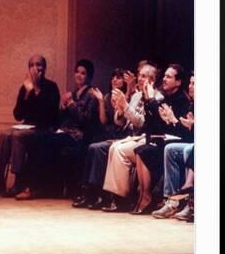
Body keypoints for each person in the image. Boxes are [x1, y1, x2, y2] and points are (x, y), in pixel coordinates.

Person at [15, 59, 98, 200]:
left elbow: (85, 119)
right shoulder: (74, 92)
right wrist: (63, 108)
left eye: (83, 73)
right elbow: (62, 117)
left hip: (77, 136)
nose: (79, 75)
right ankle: (41, 186)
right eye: (77, 72)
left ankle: (33, 187)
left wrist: (70, 104)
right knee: (38, 140)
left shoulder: (91, 94)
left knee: (40, 140)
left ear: (88, 76)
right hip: (64, 132)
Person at [0, 55, 60, 197]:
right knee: (5, 134)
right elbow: (18, 115)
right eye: (32, 65)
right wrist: (27, 93)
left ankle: (19, 182)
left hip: (45, 128)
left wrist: (36, 89)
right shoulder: (25, 88)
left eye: (39, 65)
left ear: (44, 68)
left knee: (17, 135)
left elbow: (49, 114)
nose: (35, 68)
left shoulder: (51, 87)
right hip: (28, 127)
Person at [101, 62, 162, 212]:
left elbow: (142, 122)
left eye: (144, 76)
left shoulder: (158, 97)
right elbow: (120, 122)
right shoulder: (136, 96)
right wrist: (121, 109)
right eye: (139, 75)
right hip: (133, 137)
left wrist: (125, 106)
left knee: (119, 150)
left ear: (152, 80)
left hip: (146, 138)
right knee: (114, 147)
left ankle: (121, 198)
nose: (139, 79)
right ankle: (116, 197)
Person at [132, 64, 191, 214]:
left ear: (178, 82)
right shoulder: (165, 97)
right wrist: (148, 100)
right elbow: (154, 123)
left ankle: (152, 197)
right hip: (163, 139)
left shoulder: (182, 100)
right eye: (164, 75)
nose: (164, 79)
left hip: (177, 141)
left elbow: (180, 130)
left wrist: (172, 119)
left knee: (145, 151)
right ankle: (143, 195)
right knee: (140, 150)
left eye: (169, 77)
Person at [73, 68, 130, 209]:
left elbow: (122, 122)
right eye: (113, 77)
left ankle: (96, 194)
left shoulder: (127, 96)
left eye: (118, 77)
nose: (115, 80)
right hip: (108, 132)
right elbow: (103, 121)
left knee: (96, 147)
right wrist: (101, 102)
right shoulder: (106, 96)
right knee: (90, 145)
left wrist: (127, 93)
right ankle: (89, 192)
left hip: (122, 135)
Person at [152, 73, 195, 219]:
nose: (191, 87)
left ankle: (190, 201)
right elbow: (184, 133)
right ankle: (171, 201)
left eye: (194, 84)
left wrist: (176, 121)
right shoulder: (192, 104)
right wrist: (171, 121)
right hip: (188, 141)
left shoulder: (184, 101)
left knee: (190, 149)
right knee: (170, 149)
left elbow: (188, 135)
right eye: (190, 83)